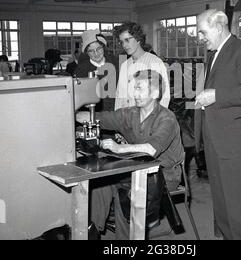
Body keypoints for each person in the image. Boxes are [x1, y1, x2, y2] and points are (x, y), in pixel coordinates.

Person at [76, 69, 184, 239]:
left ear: (155, 93)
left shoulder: (167, 119)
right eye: (134, 88)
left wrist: (119, 148)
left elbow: (151, 149)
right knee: (100, 184)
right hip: (136, 167)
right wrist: (72, 113)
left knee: (125, 194)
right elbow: (98, 117)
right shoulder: (130, 113)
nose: (135, 93)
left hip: (164, 175)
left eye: (140, 88)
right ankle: (92, 231)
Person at [195, 9, 241, 240]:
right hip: (216, 140)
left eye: (203, 32)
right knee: (223, 205)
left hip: (236, 144)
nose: (200, 37)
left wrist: (217, 95)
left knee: (238, 208)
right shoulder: (213, 53)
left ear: (218, 26)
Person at [113, 22, 170, 110]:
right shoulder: (125, 65)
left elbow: (164, 97)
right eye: (122, 42)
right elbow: (119, 96)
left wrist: (155, 120)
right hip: (125, 119)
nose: (124, 45)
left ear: (138, 39)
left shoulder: (154, 63)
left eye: (127, 40)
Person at [75, 29, 119, 112]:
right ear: (86, 52)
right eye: (91, 51)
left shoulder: (115, 63)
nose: (96, 53)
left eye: (99, 49)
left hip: (115, 112)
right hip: (94, 114)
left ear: (103, 47)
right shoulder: (82, 70)